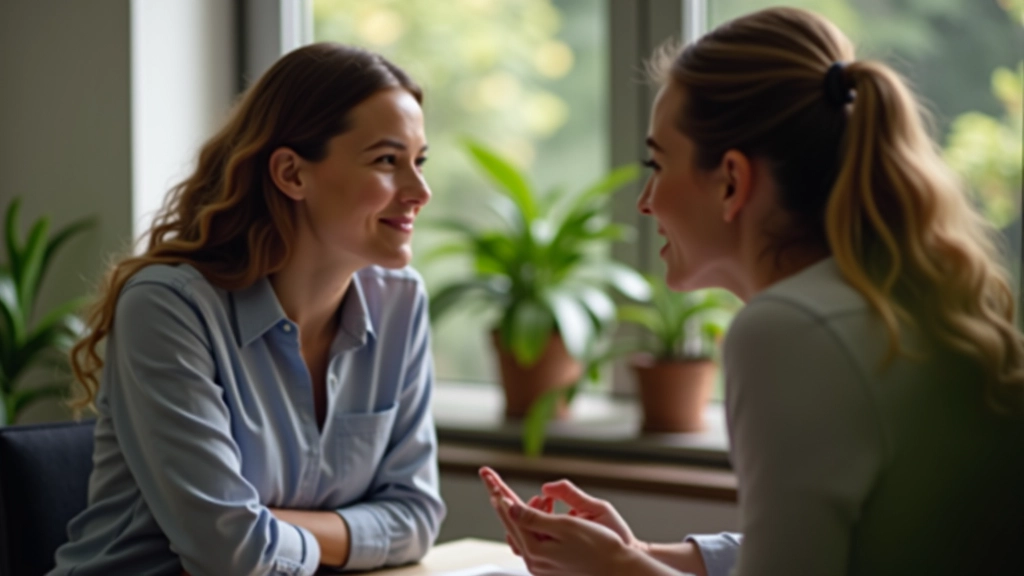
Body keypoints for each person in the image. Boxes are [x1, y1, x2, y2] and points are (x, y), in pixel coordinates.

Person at [481, 6, 1024, 576]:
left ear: (733, 181)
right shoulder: (900, 297)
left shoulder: (789, 329)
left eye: (657, 164)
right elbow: (838, 545)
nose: (645, 201)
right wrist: (642, 556)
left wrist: (617, 571)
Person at [50, 42, 445, 575]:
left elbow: (416, 518)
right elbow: (229, 555)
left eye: (418, 162)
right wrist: (321, 533)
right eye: (386, 161)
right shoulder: (169, 308)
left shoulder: (401, 303)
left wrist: (269, 524)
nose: (419, 191)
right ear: (291, 173)